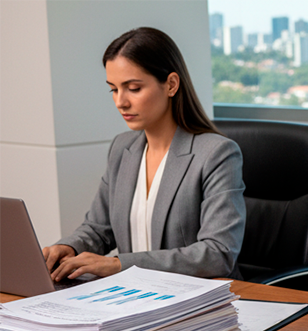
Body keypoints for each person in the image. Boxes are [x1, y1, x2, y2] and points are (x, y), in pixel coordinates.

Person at [42, 27, 245, 280]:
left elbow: (217, 254)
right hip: (135, 298)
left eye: (134, 88)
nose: (121, 102)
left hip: (196, 302)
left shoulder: (216, 154)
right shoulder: (122, 148)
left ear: (171, 84)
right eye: (114, 89)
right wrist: (69, 247)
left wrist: (119, 265)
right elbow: (98, 229)